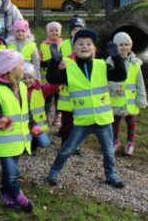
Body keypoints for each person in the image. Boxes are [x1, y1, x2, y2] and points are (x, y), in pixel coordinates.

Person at [46, 29, 127, 189]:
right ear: (73, 48)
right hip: (82, 122)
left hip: (103, 121)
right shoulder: (70, 69)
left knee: (109, 152)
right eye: (80, 44)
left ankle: (111, 175)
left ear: (94, 49)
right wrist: (54, 62)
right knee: (67, 149)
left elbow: (120, 75)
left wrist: (117, 58)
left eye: (89, 44)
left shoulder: (102, 65)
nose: (85, 46)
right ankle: (53, 173)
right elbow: (52, 78)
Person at [0, 49, 34, 212]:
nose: (25, 67)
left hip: (19, 140)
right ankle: (19, 198)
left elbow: (26, 111)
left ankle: (5, 195)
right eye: (21, 65)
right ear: (10, 70)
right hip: (5, 142)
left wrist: (33, 125)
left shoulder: (21, 86)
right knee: (13, 175)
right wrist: (0, 120)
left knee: (9, 172)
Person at [107, 32, 147, 156]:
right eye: (120, 45)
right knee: (115, 122)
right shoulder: (109, 63)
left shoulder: (135, 63)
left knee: (131, 123)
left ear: (130, 46)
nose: (124, 47)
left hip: (131, 101)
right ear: (115, 47)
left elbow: (140, 83)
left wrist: (142, 98)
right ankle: (115, 141)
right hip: (116, 100)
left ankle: (130, 143)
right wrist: (113, 88)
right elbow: (105, 80)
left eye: (126, 44)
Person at [58, 16, 86, 146]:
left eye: (80, 29)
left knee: (79, 120)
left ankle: (76, 145)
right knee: (66, 120)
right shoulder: (63, 45)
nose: (77, 31)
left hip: (80, 89)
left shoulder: (88, 45)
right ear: (70, 31)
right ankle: (65, 143)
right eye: (75, 29)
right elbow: (58, 63)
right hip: (66, 89)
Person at [22, 62, 60, 151]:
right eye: (24, 78)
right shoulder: (17, 90)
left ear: (34, 78)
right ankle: (30, 141)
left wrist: (60, 71)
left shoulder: (41, 89)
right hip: (23, 123)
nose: (27, 81)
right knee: (25, 147)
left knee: (45, 143)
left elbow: (54, 84)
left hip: (38, 124)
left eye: (30, 77)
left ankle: (34, 139)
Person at [40, 21, 63, 127]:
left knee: (60, 99)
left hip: (60, 78)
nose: (54, 32)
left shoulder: (63, 44)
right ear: (47, 32)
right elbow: (39, 60)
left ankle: (58, 116)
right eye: (51, 31)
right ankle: (47, 116)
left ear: (60, 32)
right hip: (47, 79)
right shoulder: (43, 45)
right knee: (47, 99)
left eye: (56, 30)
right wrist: (45, 62)